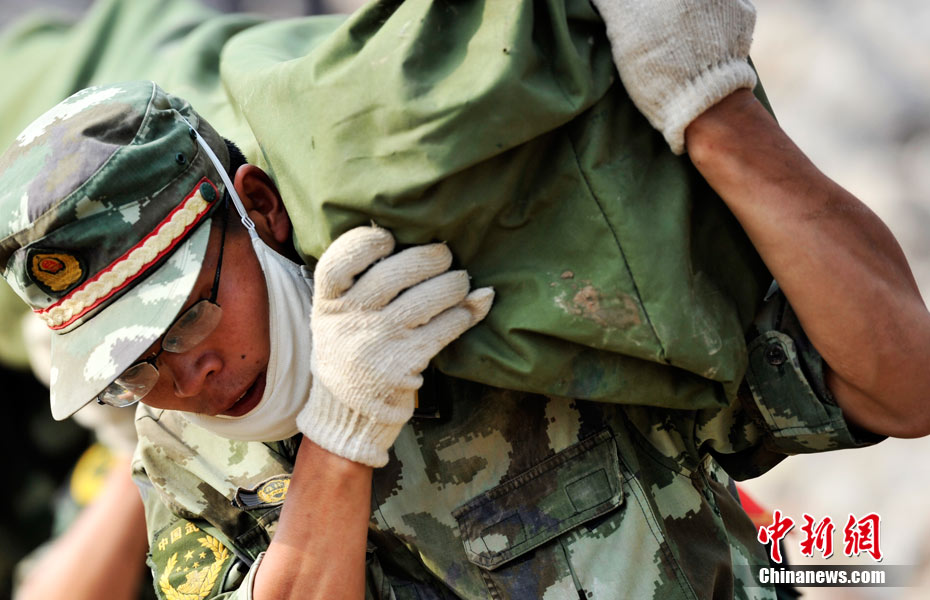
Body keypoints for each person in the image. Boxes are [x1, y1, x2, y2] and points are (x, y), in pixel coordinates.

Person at [1, 2, 928, 600]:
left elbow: (901, 387)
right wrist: (342, 434)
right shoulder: (185, 462)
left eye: (188, 314)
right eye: (133, 365)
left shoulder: (479, 294)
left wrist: (715, 114)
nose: (186, 376)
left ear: (261, 209)